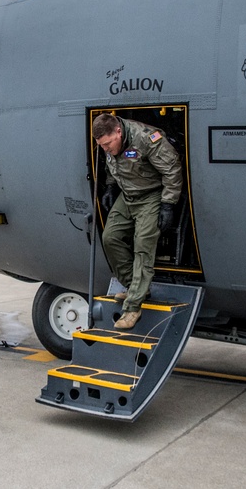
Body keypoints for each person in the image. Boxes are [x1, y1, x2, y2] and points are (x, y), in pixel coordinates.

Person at [93, 113, 182, 330]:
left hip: (151, 195)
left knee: (143, 244)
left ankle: (133, 307)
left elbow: (172, 169)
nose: (105, 148)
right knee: (110, 237)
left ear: (118, 132)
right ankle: (135, 286)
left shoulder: (146, 138)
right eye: (101, 146)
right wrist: (111, 186)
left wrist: (168, 203)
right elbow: (112, 164)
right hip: (127, 194)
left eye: (107, 143)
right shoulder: (109, 145)